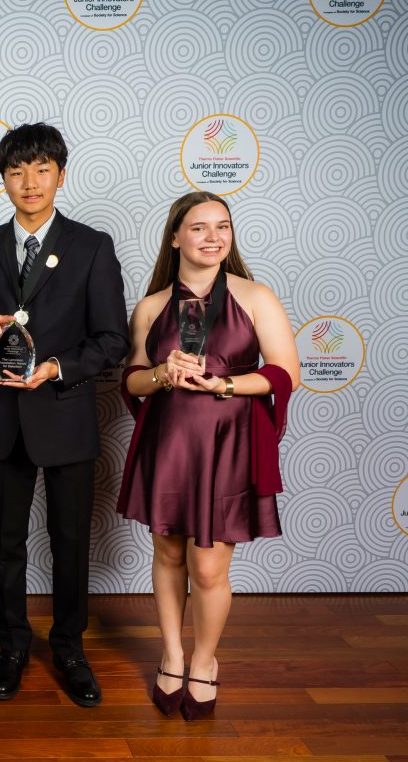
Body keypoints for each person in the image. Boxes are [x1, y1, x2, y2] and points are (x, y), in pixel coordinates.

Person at [116, 191, 298, 720]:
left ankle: (204, 660)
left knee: (209, 566)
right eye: (199, 227)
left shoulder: (255, 296)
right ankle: (172, 655)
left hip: (228, 443)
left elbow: (284, 371)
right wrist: (161, 373)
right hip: (170, 441)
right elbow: (132, 380)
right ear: (175, 237)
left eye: (223, 226)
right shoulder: (151, 306)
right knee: (169, 554)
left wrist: (224, 385)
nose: (213, 237)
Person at [0, 123, 129, 705]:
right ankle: (12, 645)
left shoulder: (91, 246)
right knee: (6, 542)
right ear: (3, 180)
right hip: (3, 419)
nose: (29, 182)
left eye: (41, 170)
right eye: (16, 171)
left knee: (70, 541)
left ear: (60, 175)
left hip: (65, 415)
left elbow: (113, 340)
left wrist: (57, 367)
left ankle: (69, 648)